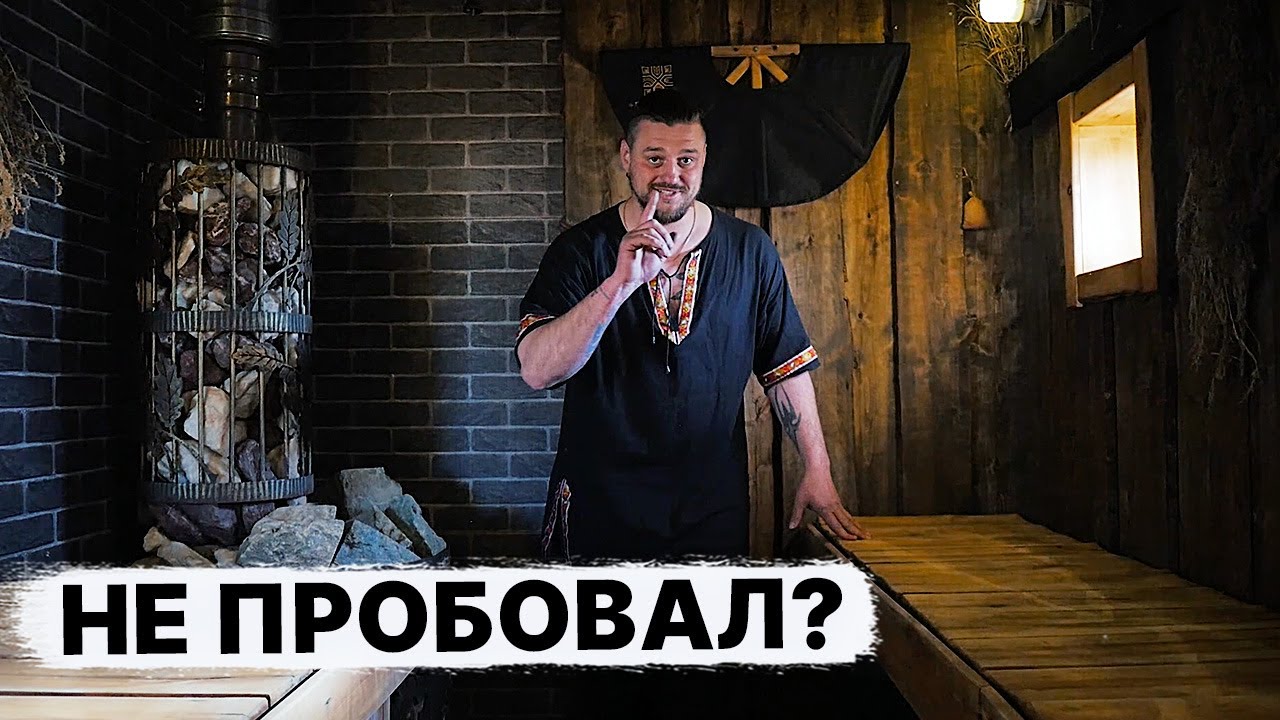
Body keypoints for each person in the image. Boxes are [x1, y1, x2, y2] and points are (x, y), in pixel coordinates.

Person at [515, 88, 867, 562]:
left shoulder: (749, 251)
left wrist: (817, 468)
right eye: (654, 158)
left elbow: (784, 368)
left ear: (704, 159)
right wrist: (619, 284)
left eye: (686, 159)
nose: (671, 175)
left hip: (711, 508)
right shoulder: (580, 250)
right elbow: (537, 371)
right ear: (626, 156)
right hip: (599, 505)